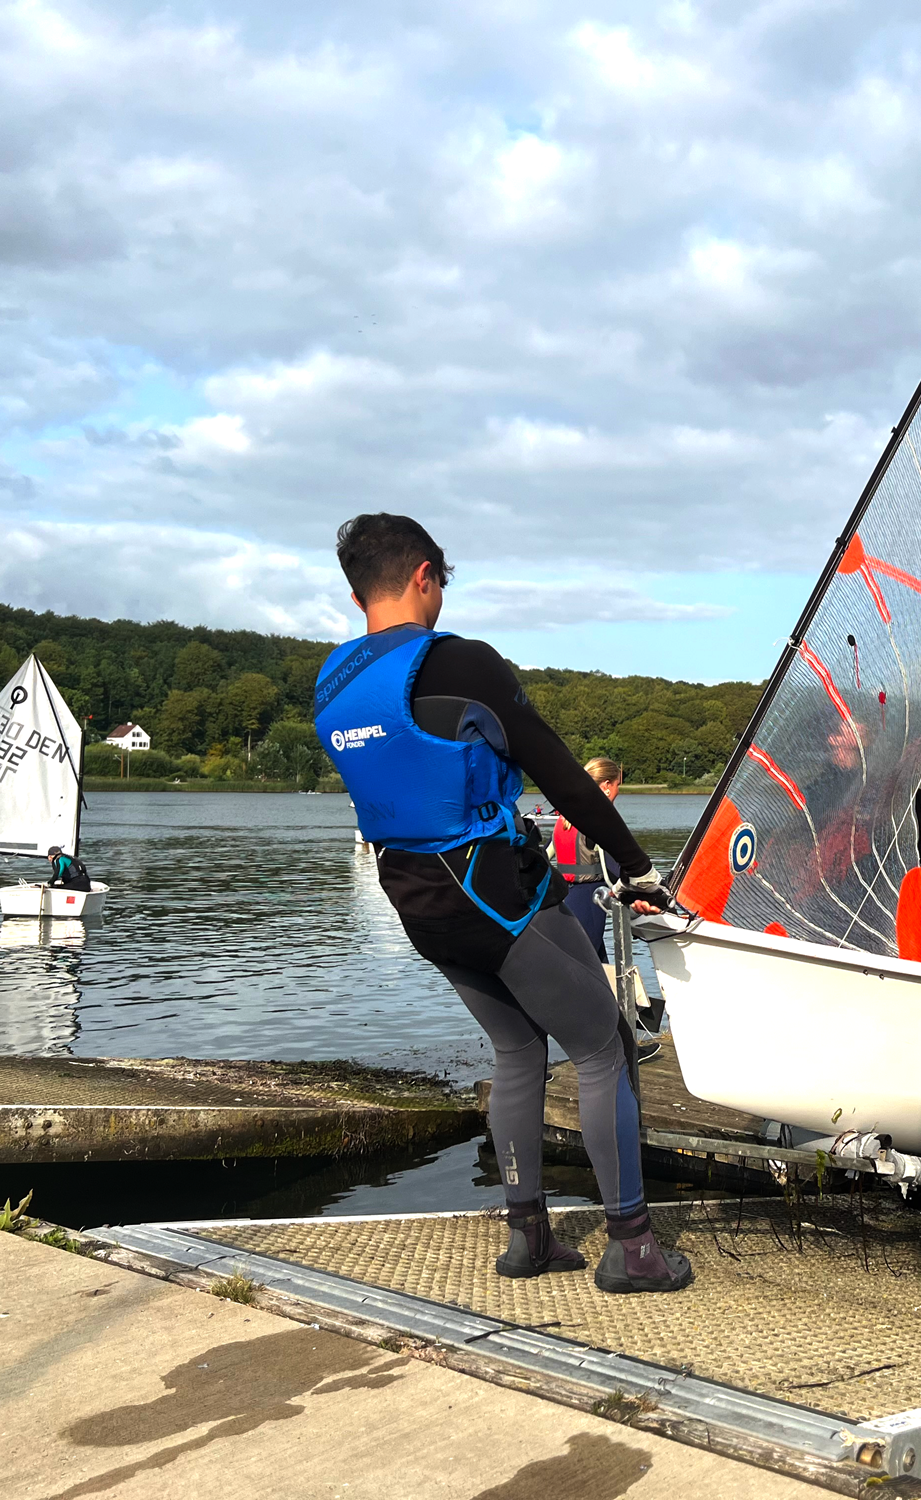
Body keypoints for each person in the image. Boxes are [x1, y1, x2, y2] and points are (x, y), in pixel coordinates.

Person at [314, 514, 691, 1295]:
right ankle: (633, 1248)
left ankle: (529, 1238)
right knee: (604, 1046)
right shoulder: (459, 663)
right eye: (441, 581)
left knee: (519, 1052)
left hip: (415, 903)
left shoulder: (333, 682)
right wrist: (634, 863)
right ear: (426, 575)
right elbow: (561, 774)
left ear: (358, 596)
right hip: (490, 891)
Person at [551, 757, 625, 959]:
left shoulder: (565, 816)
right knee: (588, 963)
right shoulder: (600, 817)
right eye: (618, 785)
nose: (618, 791)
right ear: (606, 785)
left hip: (566, 897)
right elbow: (617, 868)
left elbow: (547, 854)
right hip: (592, 897)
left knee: (597, 960)